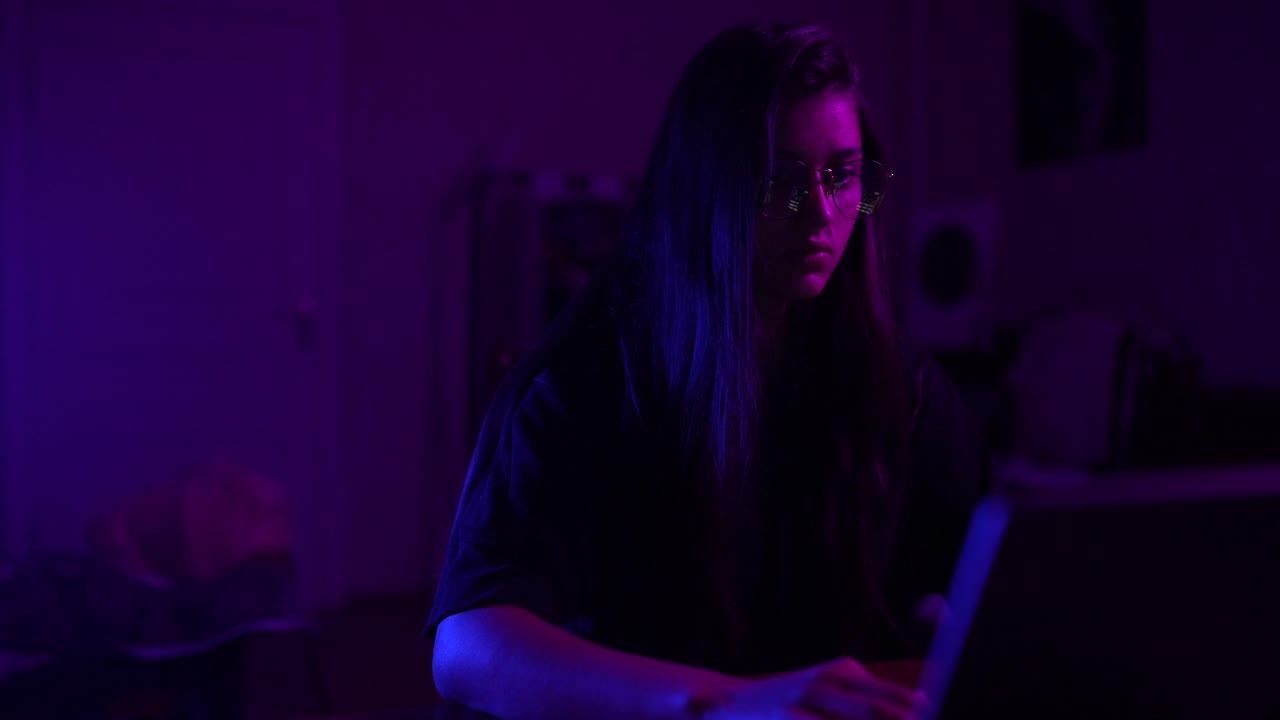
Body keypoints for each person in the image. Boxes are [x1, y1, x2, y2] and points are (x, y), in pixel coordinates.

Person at [427, 22, 990, 720]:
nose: (819, 212)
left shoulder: (887, 373)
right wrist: (732, 703)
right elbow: (466, 647)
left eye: (842, 175)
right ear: (707, 191)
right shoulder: (592, 380)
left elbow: (978, 569)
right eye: (780, 179)